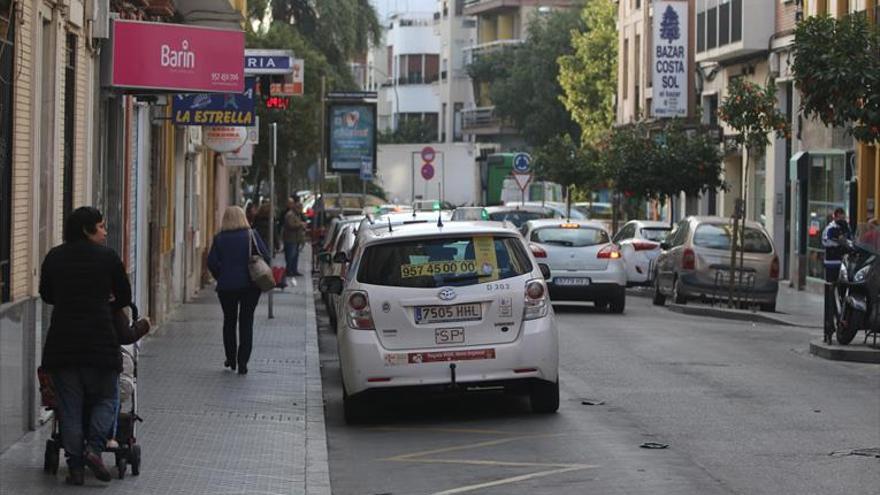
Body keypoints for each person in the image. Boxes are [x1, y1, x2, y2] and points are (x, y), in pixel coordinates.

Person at [39, 207, 130, 485]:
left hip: (63, 345)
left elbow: (47, 294)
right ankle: (94, 449)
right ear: (87, 230)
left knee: (70, 406)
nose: (105, 232)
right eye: (101, 227)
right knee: (106, 398)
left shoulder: (55, 256)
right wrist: (103, 304)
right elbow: (124, 295)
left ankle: (76, 468)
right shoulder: (108, 258)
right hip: (100, 343)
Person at [207, 206, 271, 375]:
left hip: (226, 287)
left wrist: (222, 275)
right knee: (246, 321)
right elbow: (267, 256)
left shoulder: (220, 238)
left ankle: (231, 358)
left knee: (229, 321)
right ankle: (243, 362)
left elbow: (212, 262)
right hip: (250, 286)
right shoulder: (252, 235)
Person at [821, 207, 852, 342]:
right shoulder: (830, 228)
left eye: (843, 216)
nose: (841, 219)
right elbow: (826, 241)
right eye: (839, 216)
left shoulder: (846, 227)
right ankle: (831, 323)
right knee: (830, 293)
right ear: (835, 216)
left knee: (843, 293)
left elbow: (850, 241)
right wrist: (839, 243)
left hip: (843, 265)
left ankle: (842, 318)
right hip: (832, 264)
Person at [283, 196, 306, 277]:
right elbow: (291, 225)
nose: (301, 211)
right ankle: (289, 270)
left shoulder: (297, 215)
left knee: (295, 255)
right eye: (300, 209)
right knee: (290, 255)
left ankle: (294, 270)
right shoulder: (290, 215)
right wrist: (300, 224)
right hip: (290, 239)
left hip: (296, 239)